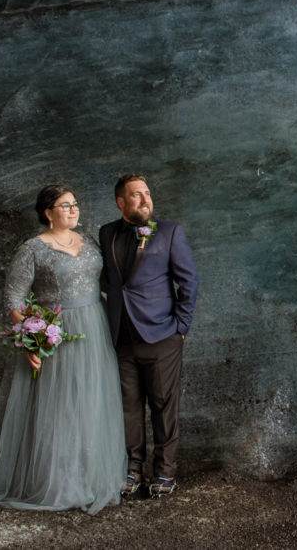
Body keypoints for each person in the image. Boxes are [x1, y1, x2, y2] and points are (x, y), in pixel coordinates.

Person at [0, 185, 127, 514]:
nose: (73, 210)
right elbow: (13, 298)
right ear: (47, 212)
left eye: (75, 204)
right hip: (59, 331)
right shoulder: (32, 249)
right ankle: (56, 481)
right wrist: (31, 336)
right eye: (65, 205)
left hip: (94, 329)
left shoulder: (90, 243)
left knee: (90, 401)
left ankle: (90, 478)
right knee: (59, 406)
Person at [100, 174, 198, 498]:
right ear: (121, 203)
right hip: (122, 337)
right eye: (136, 195)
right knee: (128, 407)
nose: (145, 199)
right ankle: (132, 470)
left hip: (162, 336)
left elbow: (189, 282)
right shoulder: (107, 234)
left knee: (163, 407)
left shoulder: (170, 232)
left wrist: (180, 328)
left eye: (147, 193)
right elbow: (110, 282)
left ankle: (165, 474)